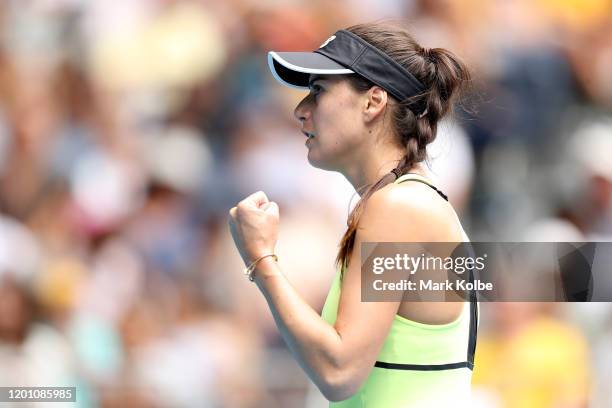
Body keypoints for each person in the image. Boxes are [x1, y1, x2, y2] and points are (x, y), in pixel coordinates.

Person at [228, 21, 477, 407]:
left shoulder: (399, 207)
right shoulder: (398, 203)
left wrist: (261, 259)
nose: (300, 110)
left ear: (373, 102)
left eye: (318, 91)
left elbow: (339, 371)